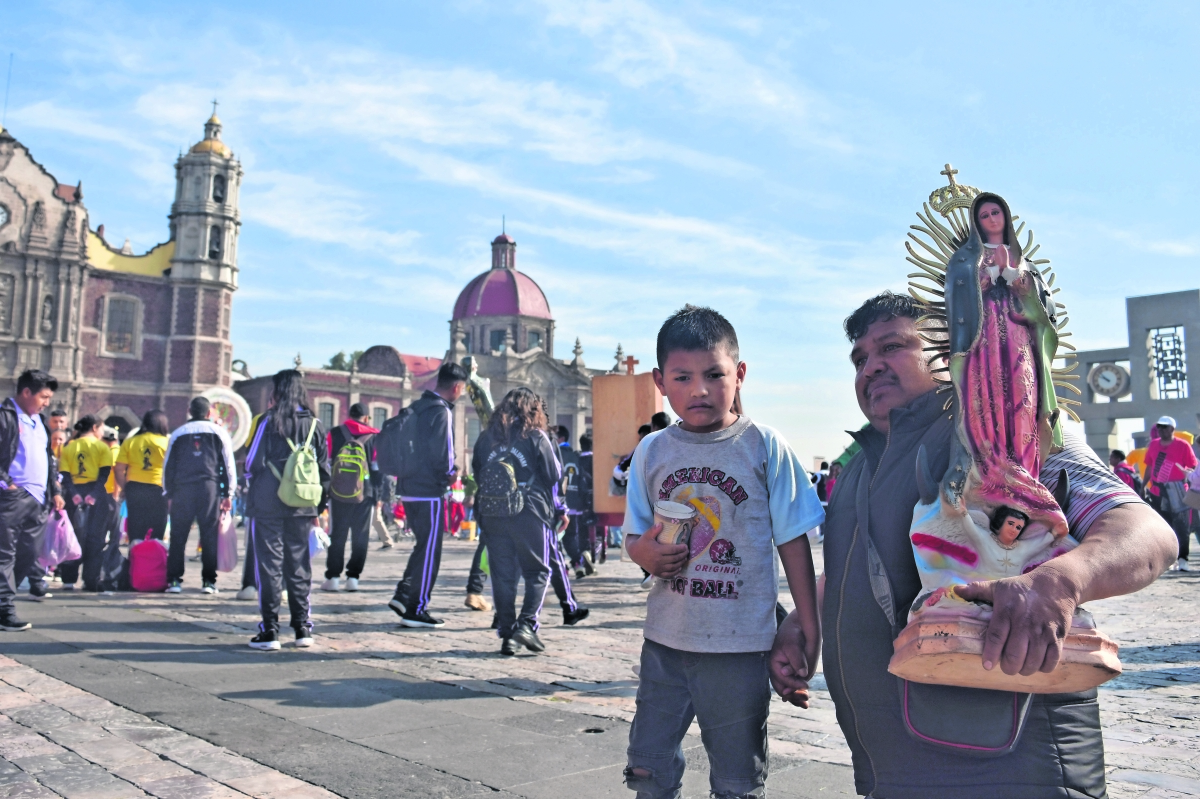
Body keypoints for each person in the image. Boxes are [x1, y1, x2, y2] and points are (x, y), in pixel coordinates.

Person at [769, 292, 1177, 799]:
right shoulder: (859, 464)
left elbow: (1147, 532)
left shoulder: (1005, 429)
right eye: (860, 358)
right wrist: (801, 623)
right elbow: (867, 566)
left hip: (1013, 765)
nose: (870, 368)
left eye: (890, 347)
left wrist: (1059, 581)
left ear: (946, 352)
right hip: (892, 764)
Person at [621, 305, 824, 799]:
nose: (700, 389)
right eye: (683, 377)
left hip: (740, 649)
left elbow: (793, 541)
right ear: (660, 382)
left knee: (737, 775)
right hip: (665, 643)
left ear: (740, 374)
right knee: (648, 764)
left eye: (715, 374)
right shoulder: (651, 451)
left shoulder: (764, 447)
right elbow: (635, 535)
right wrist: (644, 555)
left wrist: (808, 627)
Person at [472, 387, 566, 655]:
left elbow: (478, 473)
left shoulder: (486, 438)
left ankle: (507, 634)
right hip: (529, 511)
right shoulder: (536, 436)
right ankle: (526, 625)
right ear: (534, 411)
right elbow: (553, 474)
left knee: (502, 576)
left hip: (492, 513)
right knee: (538, 571)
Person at [244, 369, 330, 650]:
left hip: (268, 502)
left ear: (277, 391)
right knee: (299, 565)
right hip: (303, 504)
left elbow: (252, 462)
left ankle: (269, 630)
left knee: (269, 565)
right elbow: (324, 471)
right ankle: (303, 627)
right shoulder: (316, 424)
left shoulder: (268, 421)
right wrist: (319, 506)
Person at [387, 362, 467, 628]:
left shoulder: (417, 407)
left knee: (422, 546)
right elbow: (444, 455)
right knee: (430, 550)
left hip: (408, 488)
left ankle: (403, 594)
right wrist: (452, 473)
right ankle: (416, 608)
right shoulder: (441, 411)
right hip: (429, 492)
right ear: (456, 387)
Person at [0, 370, 65, 626]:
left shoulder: (40, 422)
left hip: (39, 500)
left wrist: (55, 491)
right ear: (26, 392)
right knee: (4, 553)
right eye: (43, 396)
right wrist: (7, 484)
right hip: (12, 497)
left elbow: (49, 461)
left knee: (30, 552)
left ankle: (3, 598)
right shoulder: (6, 417)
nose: (46, 402)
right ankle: (5, 609)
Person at [162, 397, 236, 594]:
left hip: (182, 489)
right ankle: (208, 582)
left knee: (178, 535)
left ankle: (175, 581)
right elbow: (228, 465)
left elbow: (168, 466)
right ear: (209, 413)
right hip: (209, 488)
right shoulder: (220, 433)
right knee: (209, 535)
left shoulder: (177, 434)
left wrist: (167, 493)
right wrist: (228, 493)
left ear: (189, 410)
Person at [322, 403, 381, 592]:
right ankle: (353, 577)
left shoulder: (335, 432)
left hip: (338, 492)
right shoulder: (374, 436)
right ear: (365, 417)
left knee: (337, 533)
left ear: (350, 415)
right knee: (361, 535)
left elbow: (327, 462)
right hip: (365, 492)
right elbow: (376, 468)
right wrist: (377, 494)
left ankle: (332, 577)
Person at [59, 416, 119, 592]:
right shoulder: (102, 447)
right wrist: (93, 494)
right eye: (101, 429)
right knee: (96, 537)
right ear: (95, 428)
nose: (102, 433)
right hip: (96, 494)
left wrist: (74, 493)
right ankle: (91, 579)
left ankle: (68, 579)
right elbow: (104, 474)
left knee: (72, 536)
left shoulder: (70, 447)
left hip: (73, 494)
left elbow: (64, 473)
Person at [1143, 415, 1197, 571]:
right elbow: (1149, 467)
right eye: (1159, 427)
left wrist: (1189, 478)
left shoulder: (1183, 445)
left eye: (1164, 427)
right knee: (1163, 526)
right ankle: (1168, 559)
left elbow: (1192, 466)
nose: (1160, 429)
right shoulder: (1153, 445)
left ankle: (1183, 559)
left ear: (1172, 429)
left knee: (1182, 525)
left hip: (1178, 489)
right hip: (1157, 490)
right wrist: (1142, 486)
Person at [116, 410, 170, 542]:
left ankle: (135, 558)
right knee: (157, 532)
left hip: (135, 489)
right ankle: (154, 559)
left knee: (135, 531)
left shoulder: (131, 442)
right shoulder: (167, 443)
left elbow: (118, 469)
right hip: (159, 490)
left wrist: (124, 487)